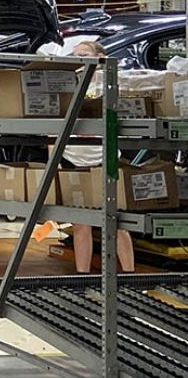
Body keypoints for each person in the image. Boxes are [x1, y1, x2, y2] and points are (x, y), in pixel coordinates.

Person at [64, 41, 135, 274]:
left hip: (105, 162)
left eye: (84, 55)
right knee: (80, 224)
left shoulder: (111, 85)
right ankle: (82, 276)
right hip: (72, 163)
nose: (79, 61)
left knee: (116, 222)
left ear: (101, 57)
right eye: (75, 56)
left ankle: (129, 276)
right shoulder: (67, 86)